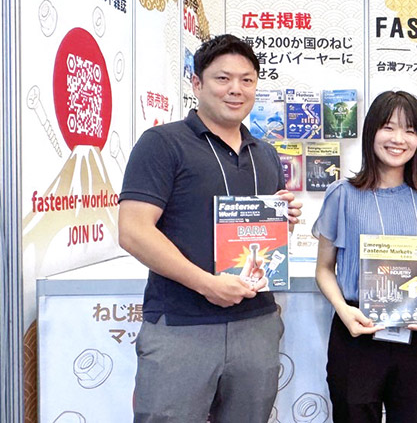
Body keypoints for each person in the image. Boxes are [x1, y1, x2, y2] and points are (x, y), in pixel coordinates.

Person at [119, 34, 302, 423]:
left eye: (247, 80)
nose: (236, 89)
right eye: (223, 78)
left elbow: (260, 239)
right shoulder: (162, 143)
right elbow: (133, 231)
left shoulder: (266, 154)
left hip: (256, 323)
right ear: (197, 83)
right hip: (181, 325)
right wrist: (206, 284)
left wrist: (281, 218)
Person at [313, 90, 417, 423]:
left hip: (416, 335)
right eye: (388, 127)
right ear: (371, 132)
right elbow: (324, 269)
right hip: (358, 330)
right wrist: (343, 310)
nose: (398, 139)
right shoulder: (342, 195)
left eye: (409, 130)